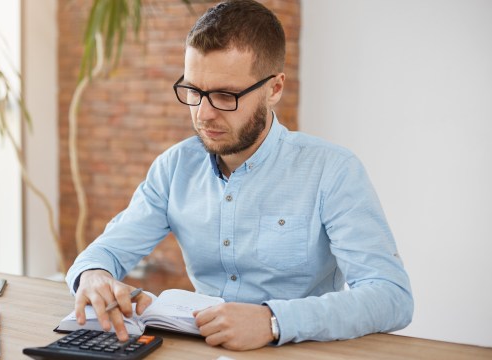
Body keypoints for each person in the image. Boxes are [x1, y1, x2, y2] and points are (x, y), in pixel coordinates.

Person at [66, 0, 413, 351]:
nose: (203, 114)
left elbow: (391, 297)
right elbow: (104, 252)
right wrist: (94, 276)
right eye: (194, 91)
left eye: (224, 95)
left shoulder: (333, 171)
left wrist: (274, 321)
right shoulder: (174, 168)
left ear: (274, 89)